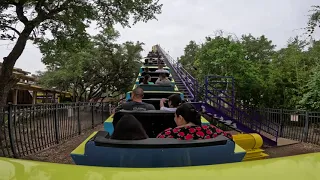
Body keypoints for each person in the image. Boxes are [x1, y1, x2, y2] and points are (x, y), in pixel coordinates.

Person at [156, 103, 232, 140]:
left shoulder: (168, 134)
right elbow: (229, 138)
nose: (174, 119)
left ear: (181, 118)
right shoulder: (211, 130)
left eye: (175, 116)